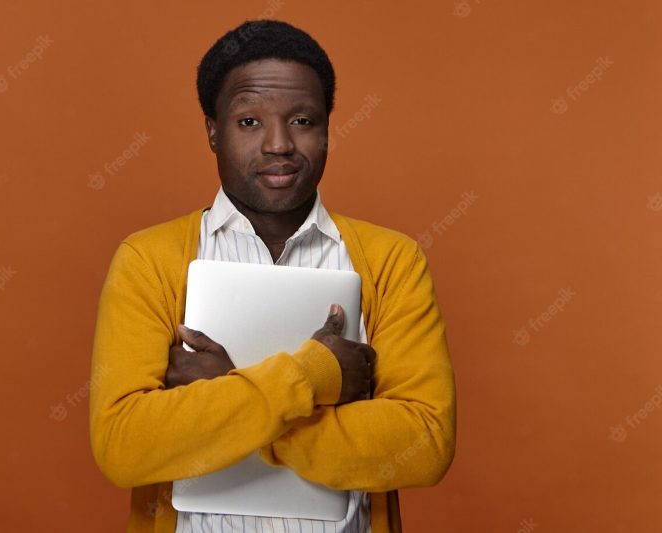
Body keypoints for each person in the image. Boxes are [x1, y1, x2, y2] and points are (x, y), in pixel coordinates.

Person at [89, 19, 456, 533]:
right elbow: (124, 445)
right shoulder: (148, 261)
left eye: (303, 120)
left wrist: (229, 396)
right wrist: (315, 376)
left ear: (328, 126)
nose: (279, 144)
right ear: (213, 131)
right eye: (248, 122)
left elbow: (424, 444)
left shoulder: (393, 261)